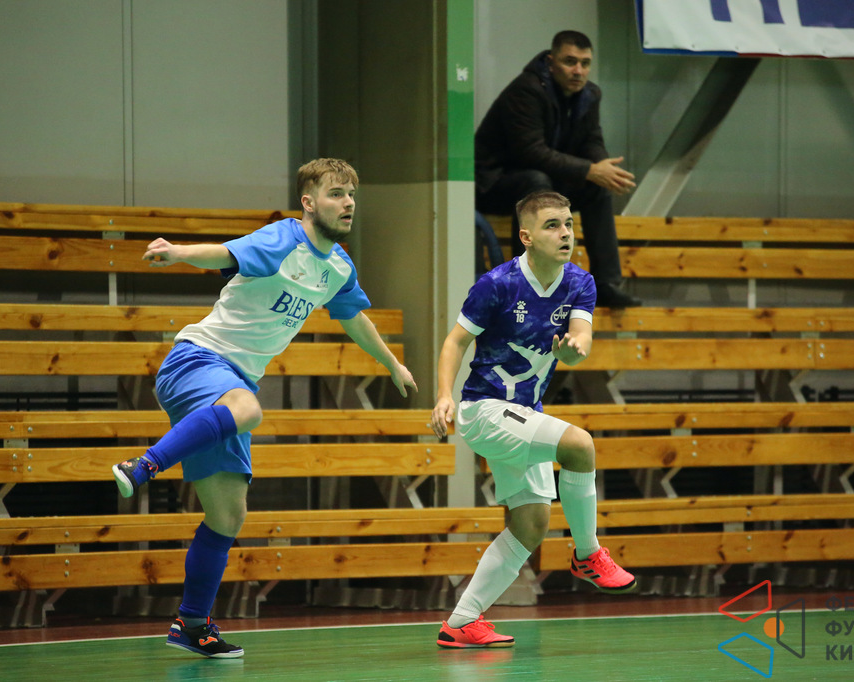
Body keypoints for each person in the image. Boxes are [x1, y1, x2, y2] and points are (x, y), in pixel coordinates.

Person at [112, 158, 417, 659]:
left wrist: (392, 364)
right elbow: (226, 254)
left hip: (230, 383)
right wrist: (178, 252)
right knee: (249, 408)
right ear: (309, 202)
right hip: (197, 360)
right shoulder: (283, 239)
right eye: (336, 193)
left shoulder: (338, 267)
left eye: (351, 195)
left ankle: (191, 625)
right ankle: (143, 465)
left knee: (228, 515)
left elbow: (354, 317)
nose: (347, 203)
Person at [430, 190, 636, 649]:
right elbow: (454, 342)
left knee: (532, 523)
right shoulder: (497, 285)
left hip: (524, 415)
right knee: (580, 445)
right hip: (484, 410)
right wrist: (444, 395)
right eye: (552, 225)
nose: (565, 234)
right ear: (526, 236)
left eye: (569, 224)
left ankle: (461, 621)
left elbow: (581, 339)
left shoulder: (580, 283)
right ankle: (588, 555)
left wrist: (573, 353)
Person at [475, 30, 641, 309]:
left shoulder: (590, 94)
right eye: (570, 61)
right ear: (551, 63)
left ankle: (606, 284)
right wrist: (589, 169)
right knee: (537, 183)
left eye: (585, 63)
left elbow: (591, 141)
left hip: (543, 181)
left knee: (595, 185)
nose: (578, 71)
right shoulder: (526, 90)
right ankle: (528, 283)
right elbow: (529, 152)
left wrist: (603, 170)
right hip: (492, 184)